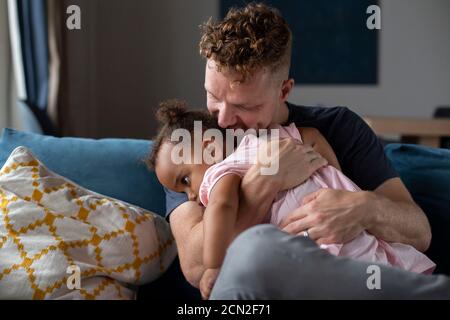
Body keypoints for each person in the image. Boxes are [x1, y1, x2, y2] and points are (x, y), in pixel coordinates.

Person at [162, 3, 450, 299]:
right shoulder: (193, 143)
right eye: (213, 96)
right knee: (257, 247)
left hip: (341, 273)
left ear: (284, 90)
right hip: (260, 281)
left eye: (244, 106)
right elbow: (196, 267)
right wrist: (265, 180)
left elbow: (420, 233)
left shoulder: (337, 127)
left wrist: (364, 208)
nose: (222, 119)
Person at [148, 100, 435, 281]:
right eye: (215, 96)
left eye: (244, 103)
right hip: (352, 249)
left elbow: (222, 209)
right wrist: (330, 176)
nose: (191, 196)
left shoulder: (216, 174)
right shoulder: (268, 139)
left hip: (319, 250)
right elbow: (312, 139)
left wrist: (214, 267)